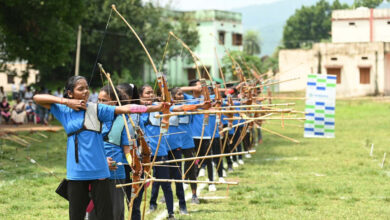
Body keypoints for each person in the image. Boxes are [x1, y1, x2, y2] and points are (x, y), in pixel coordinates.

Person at [33, 75, 151, 220]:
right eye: (80, 89)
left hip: (99, 172)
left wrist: (154, 107)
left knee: (105, 215)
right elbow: (37, 98)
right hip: (77, 173)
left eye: (87, 88)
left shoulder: (95, 109)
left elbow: (124, 108)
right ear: (70, 92)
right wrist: (67, 102)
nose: (86, 92)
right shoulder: (64, 111)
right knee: (76, 216)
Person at [139, 85, 175, 220]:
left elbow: (175, 109)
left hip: (160, 151)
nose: (150, 95)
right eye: (147, 93)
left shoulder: (159, 106)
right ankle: (138, 212)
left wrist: (167, 103)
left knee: (165, 183)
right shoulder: (138, 110)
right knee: (141, 185)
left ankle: (171, 213)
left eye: (151, 93)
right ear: (140, 96)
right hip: (144, 154)